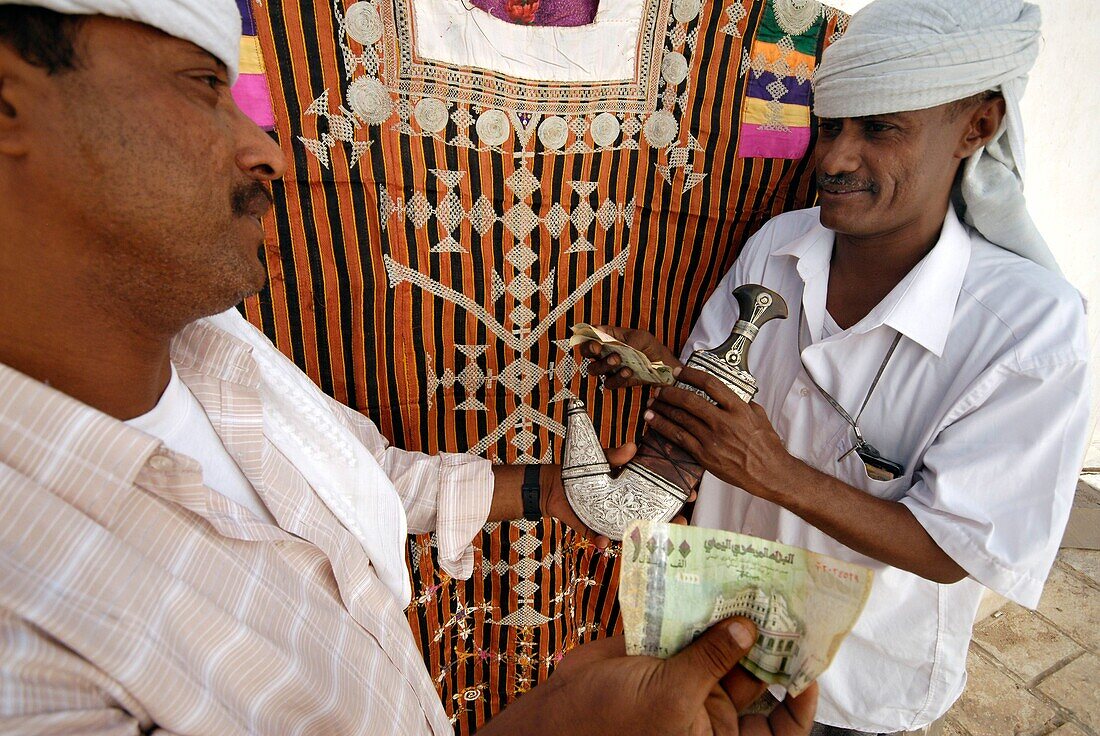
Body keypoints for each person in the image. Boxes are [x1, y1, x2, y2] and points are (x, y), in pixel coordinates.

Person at [0, 2, 820, 734]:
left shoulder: (215, 353)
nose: (267, 150)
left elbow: (359, 478)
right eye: (197, 85)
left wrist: (560, 495)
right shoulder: (27, 650)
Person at [584, 1, 1090, 734]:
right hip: (714, 646)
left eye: (880, 129)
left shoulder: (1030, 330)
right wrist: (666, 380)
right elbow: (718, 400)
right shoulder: (779, 247)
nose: (833, 160)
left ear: (977, 127)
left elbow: (958, 548)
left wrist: (769, 469)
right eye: (830, 126)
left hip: (852, 690)